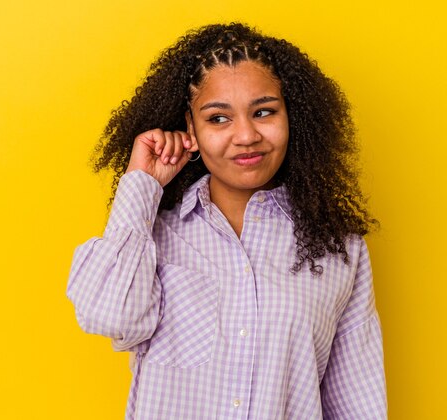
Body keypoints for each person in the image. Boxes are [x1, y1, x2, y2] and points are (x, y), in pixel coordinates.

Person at [67, 22, 387, 419]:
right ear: (191, 128)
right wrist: (141, 185)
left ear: (293, 117)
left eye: (264, 112)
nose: (246, 135)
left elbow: (357, 404)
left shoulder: (339, 250)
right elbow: (108, 315)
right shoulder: (152, 237)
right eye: (219, 118)